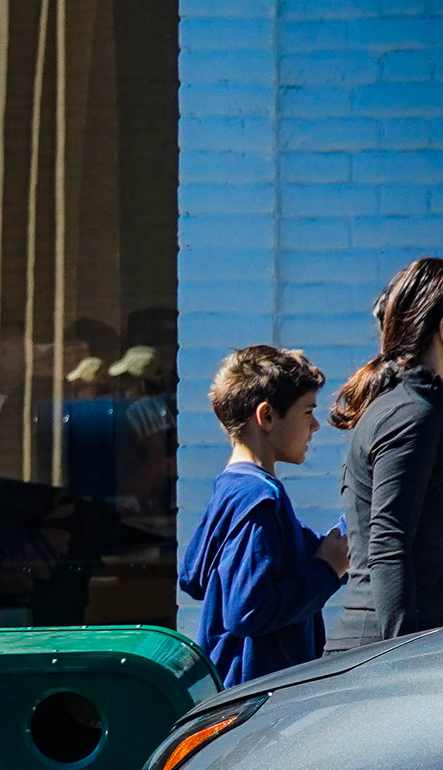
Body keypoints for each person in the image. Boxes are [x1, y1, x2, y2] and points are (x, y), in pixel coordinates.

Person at [179, 346, 349, 689]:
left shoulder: (232, 488)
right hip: (256, 699)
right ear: (267, 416)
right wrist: (326, 570)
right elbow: (247, 610)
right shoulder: (257, 498)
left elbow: (193, 576)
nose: (316, 425)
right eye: (307, 411)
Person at [329, 257, 443, 648]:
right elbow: (388, 540)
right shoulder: (413, 413)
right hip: (382, 653)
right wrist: (402, 662)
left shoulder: (411, 404)